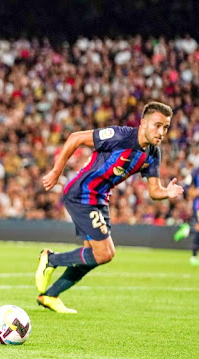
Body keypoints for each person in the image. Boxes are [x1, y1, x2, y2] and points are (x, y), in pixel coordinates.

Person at [36, 101, 184, 313]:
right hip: (82, 193)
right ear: (143, 123)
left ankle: (50, 295)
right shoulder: (120, 135)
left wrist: (166, 193)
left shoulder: (153, 153)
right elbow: (75, 138)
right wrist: (56, 172)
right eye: (157, 125)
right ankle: (51, 259)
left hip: (100, 199)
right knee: (105, 253)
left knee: (93, 256)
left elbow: (154, 190)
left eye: (166, 127)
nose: (161, 132)